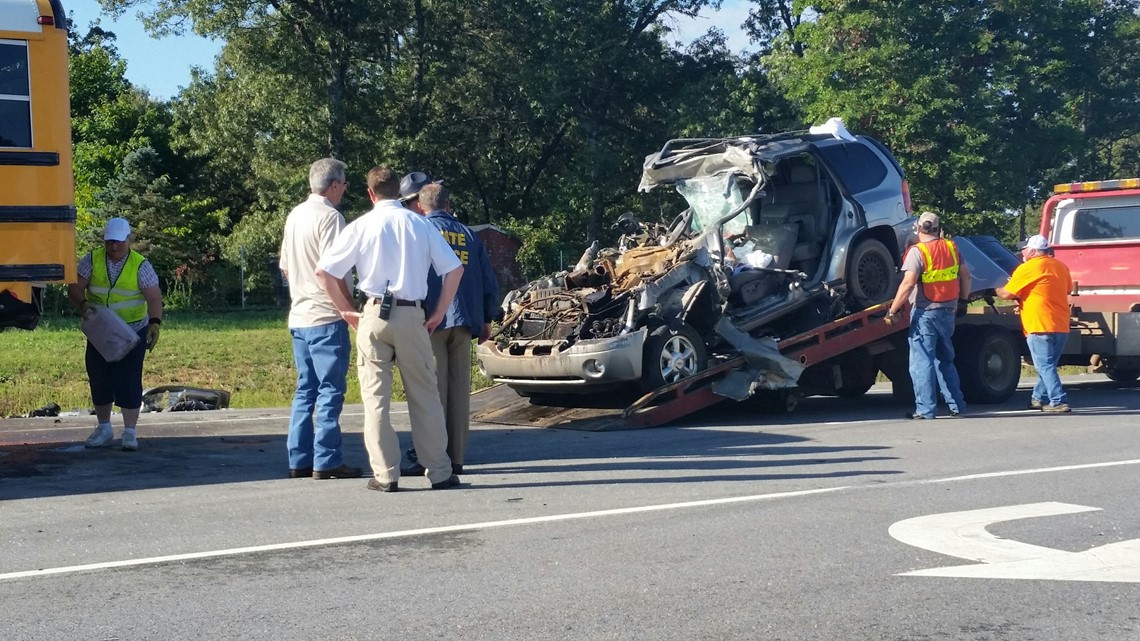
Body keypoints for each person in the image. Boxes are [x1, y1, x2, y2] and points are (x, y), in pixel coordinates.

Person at [316, 166, 465, 492]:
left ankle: (385, 475)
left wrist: (346, 310)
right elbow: (453, 270)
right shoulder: (419, 224)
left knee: (376, 400)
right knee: (425, 395)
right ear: (399, 192)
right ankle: (439, 471)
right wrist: (439, 311)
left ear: (370, 194)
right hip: (412, 315)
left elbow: (325, 272)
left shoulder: (360, 226)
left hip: (372, 314)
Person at [400, 182, 499, 477]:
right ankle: (455, 457)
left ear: (421, 204)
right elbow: (487, 278)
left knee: (430, 392)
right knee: (458, 394)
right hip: (466, 320)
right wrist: (486, 318)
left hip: (431, 320)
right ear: (448, 204)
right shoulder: (469, 235)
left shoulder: (419, 231)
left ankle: (429, 457)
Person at [278, 158, 362, 480]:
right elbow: (332, 269)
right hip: (326, 314)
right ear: (334, 185)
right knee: (330, 389)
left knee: (305, 390)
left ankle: (298, 459)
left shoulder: (295, 215)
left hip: (299, 314)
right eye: (344, 184)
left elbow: (286, 266)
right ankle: (326, 460)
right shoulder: (331, 217)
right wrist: (348, 308)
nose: (344, 190)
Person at [68, 217, 163, 451]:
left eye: (119, 242)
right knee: (99, 378)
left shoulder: (141, 266)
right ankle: (104, 428)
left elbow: (154, 297)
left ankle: (130, 432)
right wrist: (82, 304)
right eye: (110, 242)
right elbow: (74, 287)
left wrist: (154, 323)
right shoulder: (92, 260)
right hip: (101, 333)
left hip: (132, 332)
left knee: (129, 379)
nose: (114, 247)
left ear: (128, 240)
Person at [885, 211, 972, 419]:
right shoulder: (952, 248)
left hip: (926, 313)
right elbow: (966, 275)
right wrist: (963, 300)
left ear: (917, 228)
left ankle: (926, 409)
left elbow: (908, 284)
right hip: (948, 310)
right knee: (945, 359)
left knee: (921, 362)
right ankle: (957, 406)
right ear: (937, 228)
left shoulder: (918, 252)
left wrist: (893, 309)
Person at [996, 234, 1073, 413]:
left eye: (1024, 249)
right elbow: (1067, 288)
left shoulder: (1028, 267)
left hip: (1039, 323)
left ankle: (1058, 401)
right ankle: (1037, 399)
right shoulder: (1061, 267)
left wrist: (995, 287)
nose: (1022, 252)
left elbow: (1007, 294)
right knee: (1048, 366)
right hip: (1061, 323)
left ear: (1032, 251)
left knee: (1044, 366)